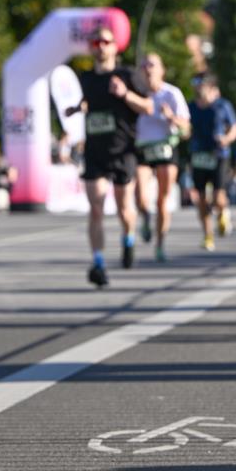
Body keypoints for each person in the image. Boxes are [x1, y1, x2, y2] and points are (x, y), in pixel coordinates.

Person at [66, 26, 152, 287]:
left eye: (106, 41)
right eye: (96, 42)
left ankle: (128, 239)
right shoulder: (87, 78)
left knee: (125, 209)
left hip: (123, 150)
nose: (101, 46)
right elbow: (86, 101)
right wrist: (78, 107)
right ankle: (99, 262)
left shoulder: (127, 75)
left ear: (115, 47)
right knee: (96, 208)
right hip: (95, 152)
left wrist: (125, 94)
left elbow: (148, 107)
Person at [134, 53, 190, 262]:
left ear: (161, 70)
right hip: (143, 148)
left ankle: (160, 243)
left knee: (162, 200)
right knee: (140, 196)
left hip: (166, 148)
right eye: (144, 65)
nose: (148, 69)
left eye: (152, 65)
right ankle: (145, 217)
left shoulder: (171, 94)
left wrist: (171, 118)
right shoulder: (137, 94)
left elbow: (186, 126)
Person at [188, 73, 236, 250]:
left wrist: (227, 139)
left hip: (219, 154)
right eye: (195, 83)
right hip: (198, 155)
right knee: (201, 199)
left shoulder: (222, 105)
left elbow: (235, 127)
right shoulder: (191, 107)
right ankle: (208, 235)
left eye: (200, 83)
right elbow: (186, 127)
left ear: (210, 85)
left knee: (218, 197)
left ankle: (222, 212)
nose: (197, 87)